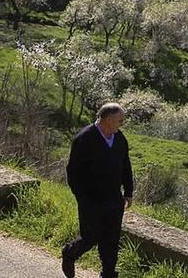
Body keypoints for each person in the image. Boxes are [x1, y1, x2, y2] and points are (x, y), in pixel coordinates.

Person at [62, 102, 134, 278]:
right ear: (108, 119)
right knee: (91, 236)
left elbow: (126, 166)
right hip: (91, 200)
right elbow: (73, 172)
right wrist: (82, 197)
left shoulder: (119, 139)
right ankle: (70, 253)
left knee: (111, 240)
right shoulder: (85, 138)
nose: (122, 123)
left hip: (113, 199)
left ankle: (108, 274)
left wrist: (129, 192)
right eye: (120, 120)